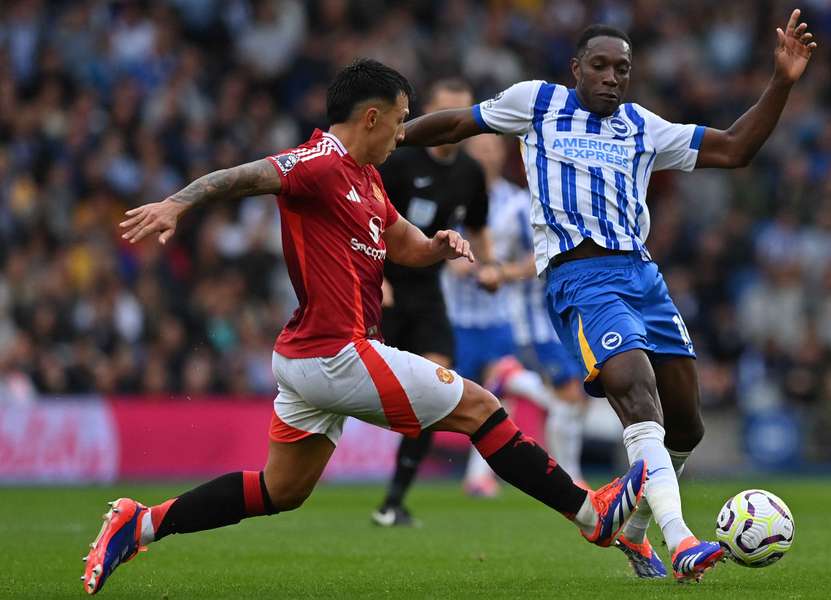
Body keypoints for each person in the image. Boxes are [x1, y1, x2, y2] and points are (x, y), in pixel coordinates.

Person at [81, 59, 647, 595]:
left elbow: (403, 243)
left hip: (308, 358)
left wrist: (437, 247)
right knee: (479, 407)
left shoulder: (368, 179)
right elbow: (242, 177)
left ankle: (142, 523)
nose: (403, 135)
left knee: (282, 490)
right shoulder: (319, 163)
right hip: (335, 353)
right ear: (371, 117)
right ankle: (590, 513)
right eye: (400, 121)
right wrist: (177, 204)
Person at [396, 9, 816, 582]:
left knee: (685, 424)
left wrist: (782, 81)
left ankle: (634, 531)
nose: (612, 77)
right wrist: (394, 137)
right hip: (581, 277)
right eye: (600, 66)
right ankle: (682, 540)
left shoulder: (643, 126)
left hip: (644, 278)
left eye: (623, 68)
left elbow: (735, 149)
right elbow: (456, 126)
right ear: (576, 69)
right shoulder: (536, 103)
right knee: (637, 393)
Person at [371, 77, 499, 526]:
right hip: (379, 288)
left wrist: (489, 265)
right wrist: (378, 277)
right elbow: (366, 218)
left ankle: (393, 503)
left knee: (436, 385)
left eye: (461, 117)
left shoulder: (469, 172)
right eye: (446, 114)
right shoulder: (399, 160)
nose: (453, 126)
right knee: (348, 390)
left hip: (426, 294)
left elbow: (480, 226)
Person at [462, 133, 588, 486]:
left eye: (491, 148)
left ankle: (479, 477)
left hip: (527, 312)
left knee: (496, 399)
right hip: (502, 319)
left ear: (502, 154)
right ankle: (572, 478)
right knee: (559, 394)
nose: (485, 155)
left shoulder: (519, 204)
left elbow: (540, 257)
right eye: (478, 148)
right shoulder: (459, 198)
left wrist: (503, 272)